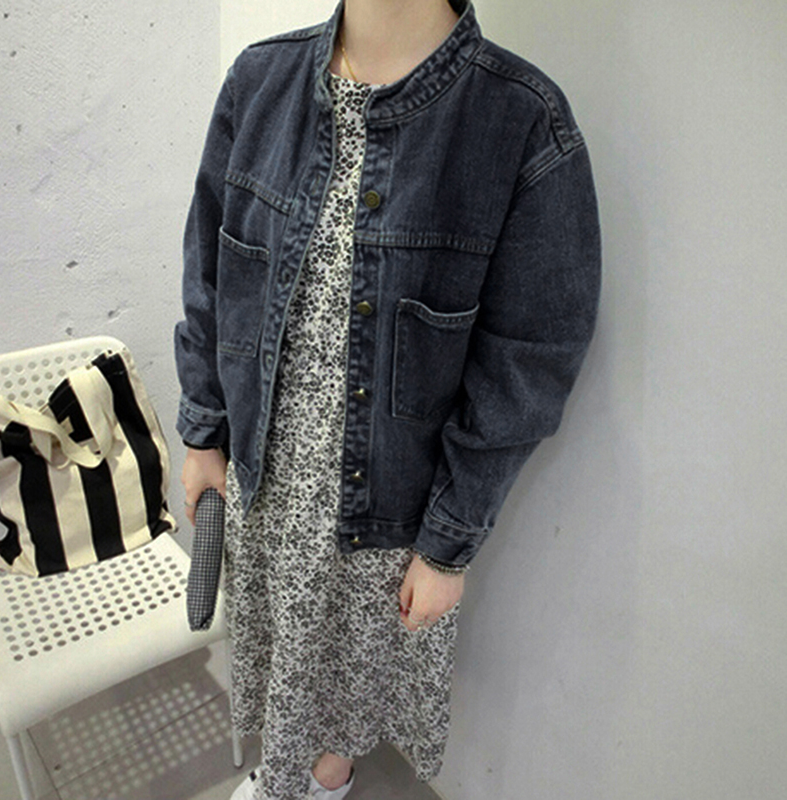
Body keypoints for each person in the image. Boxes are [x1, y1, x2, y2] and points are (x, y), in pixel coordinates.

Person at [174, 0, 601, 798]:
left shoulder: (518, 121)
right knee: (284, 655)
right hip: (268, 475)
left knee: (348, 677)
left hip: (386, 512)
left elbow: (528, 361)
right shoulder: (259, 83)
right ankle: (292, 779)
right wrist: (204, 431)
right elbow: (212, 274)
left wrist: (447, 543)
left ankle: (321, 781)